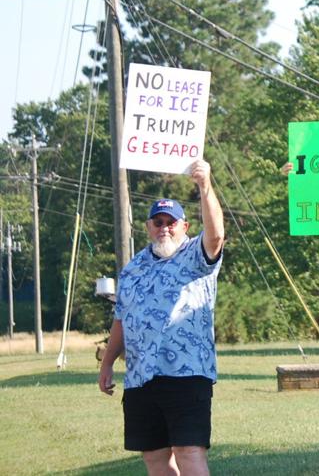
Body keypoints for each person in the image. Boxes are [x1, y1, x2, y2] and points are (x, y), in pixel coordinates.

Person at [98, 159, 226, 476]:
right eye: (158, 221)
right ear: (148, 227)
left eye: (171, 222)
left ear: (185, 226)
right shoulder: (133, 269)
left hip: (187, 374)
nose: (164, 227)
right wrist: (107, 362)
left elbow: (216, 236)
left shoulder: (196, 255)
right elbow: (121, 319)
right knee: (155, 458)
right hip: (141, 376)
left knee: (189, 452)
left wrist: (205, 186)